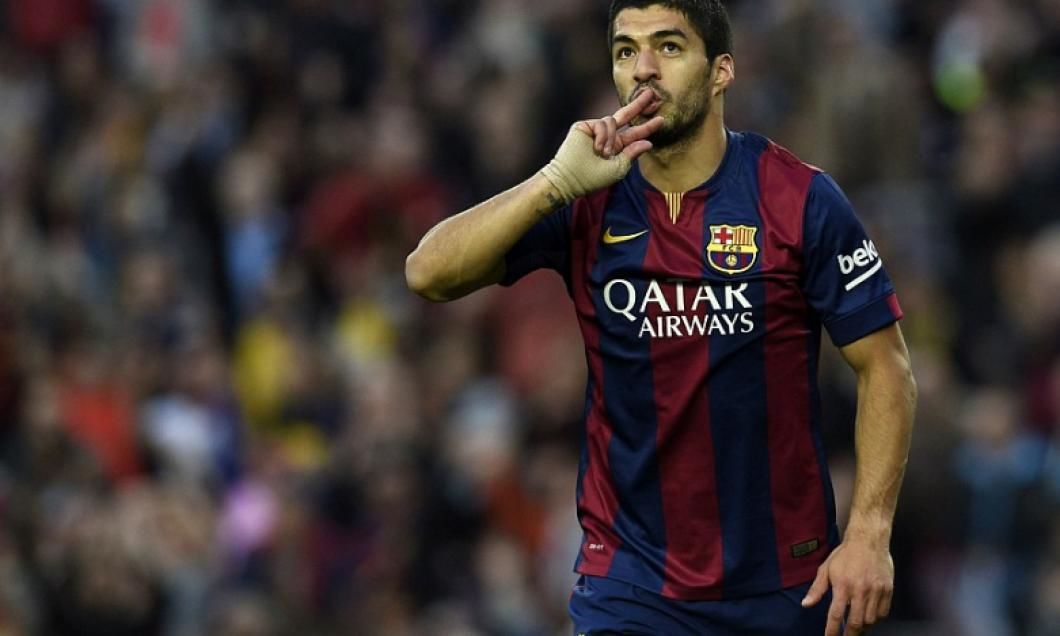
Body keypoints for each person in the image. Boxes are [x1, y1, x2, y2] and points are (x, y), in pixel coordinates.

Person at [406, 1, 917, 634]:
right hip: (632, 584)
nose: (643, 68)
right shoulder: (586, 194)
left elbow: (886, 366)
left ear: (721, 70)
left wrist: (869, 533)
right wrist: (552, 183)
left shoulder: (800, 198)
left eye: (668, 47)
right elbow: (427, 273)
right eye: (626, 51)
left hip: (785, 582)